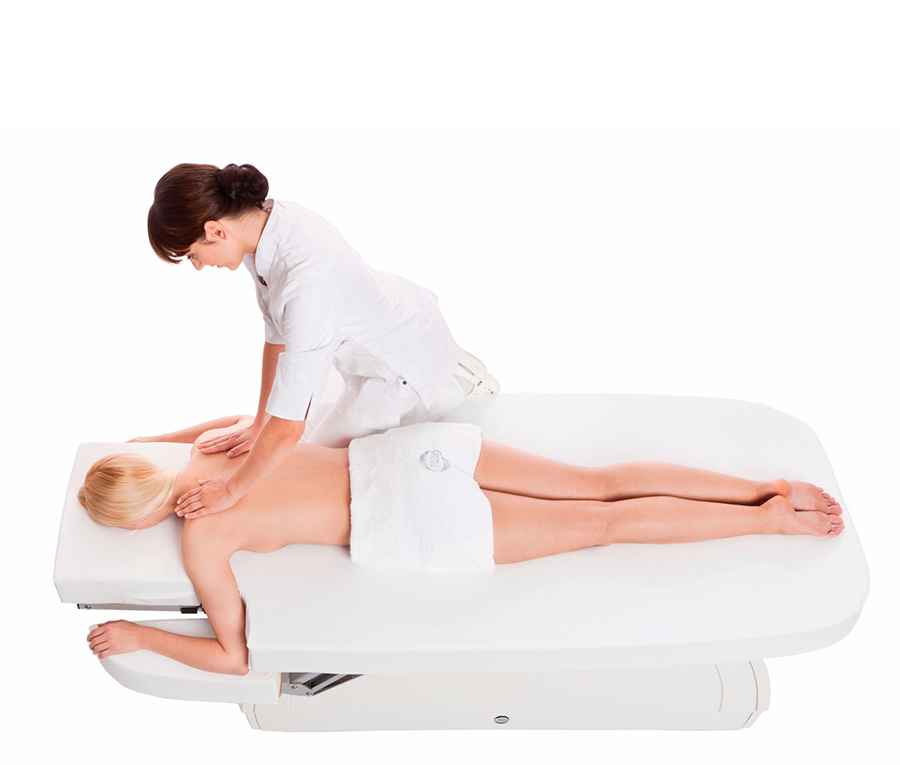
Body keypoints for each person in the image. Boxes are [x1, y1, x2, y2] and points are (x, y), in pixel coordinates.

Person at [84, 414, 844, 675]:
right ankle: (761, 487)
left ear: (136, 522)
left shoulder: (204, 534)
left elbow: (235, 657)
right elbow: (166, 437)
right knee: (599, 483)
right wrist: (148, 445)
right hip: (410, 458)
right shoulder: (212, 444)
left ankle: (770, 521)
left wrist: (140, 636)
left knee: (604, 528)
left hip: (413, 517)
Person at [147, 162, 499, 522]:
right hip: (377, 322)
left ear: (215, 230)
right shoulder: (262, 225)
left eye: (192, 254)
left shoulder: (308, 282)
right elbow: (276, 336)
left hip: (402, 366)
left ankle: (462, 380)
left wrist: (229, 491)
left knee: (304, 471)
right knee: (283, 443)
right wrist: (259, 422)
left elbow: (289, 427)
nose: (198, 266)